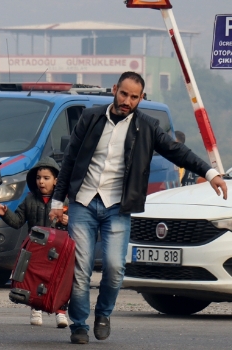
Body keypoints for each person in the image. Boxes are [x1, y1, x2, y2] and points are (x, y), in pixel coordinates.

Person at [49, 71, 228, 344]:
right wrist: (57, 201)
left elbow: (177, 151)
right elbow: (71, 159)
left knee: (114, 268)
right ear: (115, 90)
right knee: (81, 268)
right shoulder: (91, 117)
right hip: (83, 203)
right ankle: (79, 324)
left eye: (134, 97)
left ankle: (104, 314)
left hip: (118, 208)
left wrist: (210, 172)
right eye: (124, 94)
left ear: (141, 98)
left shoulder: (147, 127)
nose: (127, 101)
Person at [0, 157, 69, 328]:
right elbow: (18, 221)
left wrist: (67, 221)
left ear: (56, 180)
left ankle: (61, 312)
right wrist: (5, 213)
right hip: (36, 248)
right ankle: (36, 308)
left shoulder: (64, 202)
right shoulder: (29, 200)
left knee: (59, 279)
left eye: (46, 178)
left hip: (57, 250)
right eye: (38, 178)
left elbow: (75, 227)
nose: (41, 182)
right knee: (36, 279)